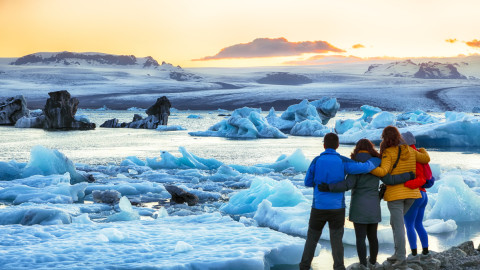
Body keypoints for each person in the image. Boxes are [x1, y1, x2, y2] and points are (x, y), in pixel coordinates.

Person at [318, 139, 414, 270]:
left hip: (358, 206)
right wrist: (408, 175)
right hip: (373, 205)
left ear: (357, 149)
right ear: (371, 149)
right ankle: (373, 262)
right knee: (373, 236)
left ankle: (363, 264)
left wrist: (329, 187)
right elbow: (390, 180)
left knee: (360, 237)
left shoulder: (355, 166)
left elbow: (347, 185)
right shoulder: (376, 165)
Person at [300, 133, 378, 270]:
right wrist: (377, 160)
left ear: (324, 145)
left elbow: (307, 182)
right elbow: (365, 167)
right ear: (337, 145)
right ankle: (339, 267)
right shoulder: (343, 161)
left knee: (312, 239)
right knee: (336, 241)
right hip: (337, 208)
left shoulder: (316, 161)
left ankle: (304, 266)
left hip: (318, 207)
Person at [369, 126, 430, 269]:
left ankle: (401, 259)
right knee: (394, 223)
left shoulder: (388, 153)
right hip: (412, 194)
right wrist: (421, 149)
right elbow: (426, 158)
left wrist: (368, 167)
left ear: (385, 138)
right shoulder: (410, 150)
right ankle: (397, 253)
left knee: (398, 226)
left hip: (396, 196)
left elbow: (383, 171)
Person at [401, 132, 434, 261]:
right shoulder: (421, 155)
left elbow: (419, 178)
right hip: (424, 195)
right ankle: (425, 251)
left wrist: (405, 183)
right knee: (418, 224)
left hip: (415, 194)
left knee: (409, 224)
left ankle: (414, 254)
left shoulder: (410, 156)